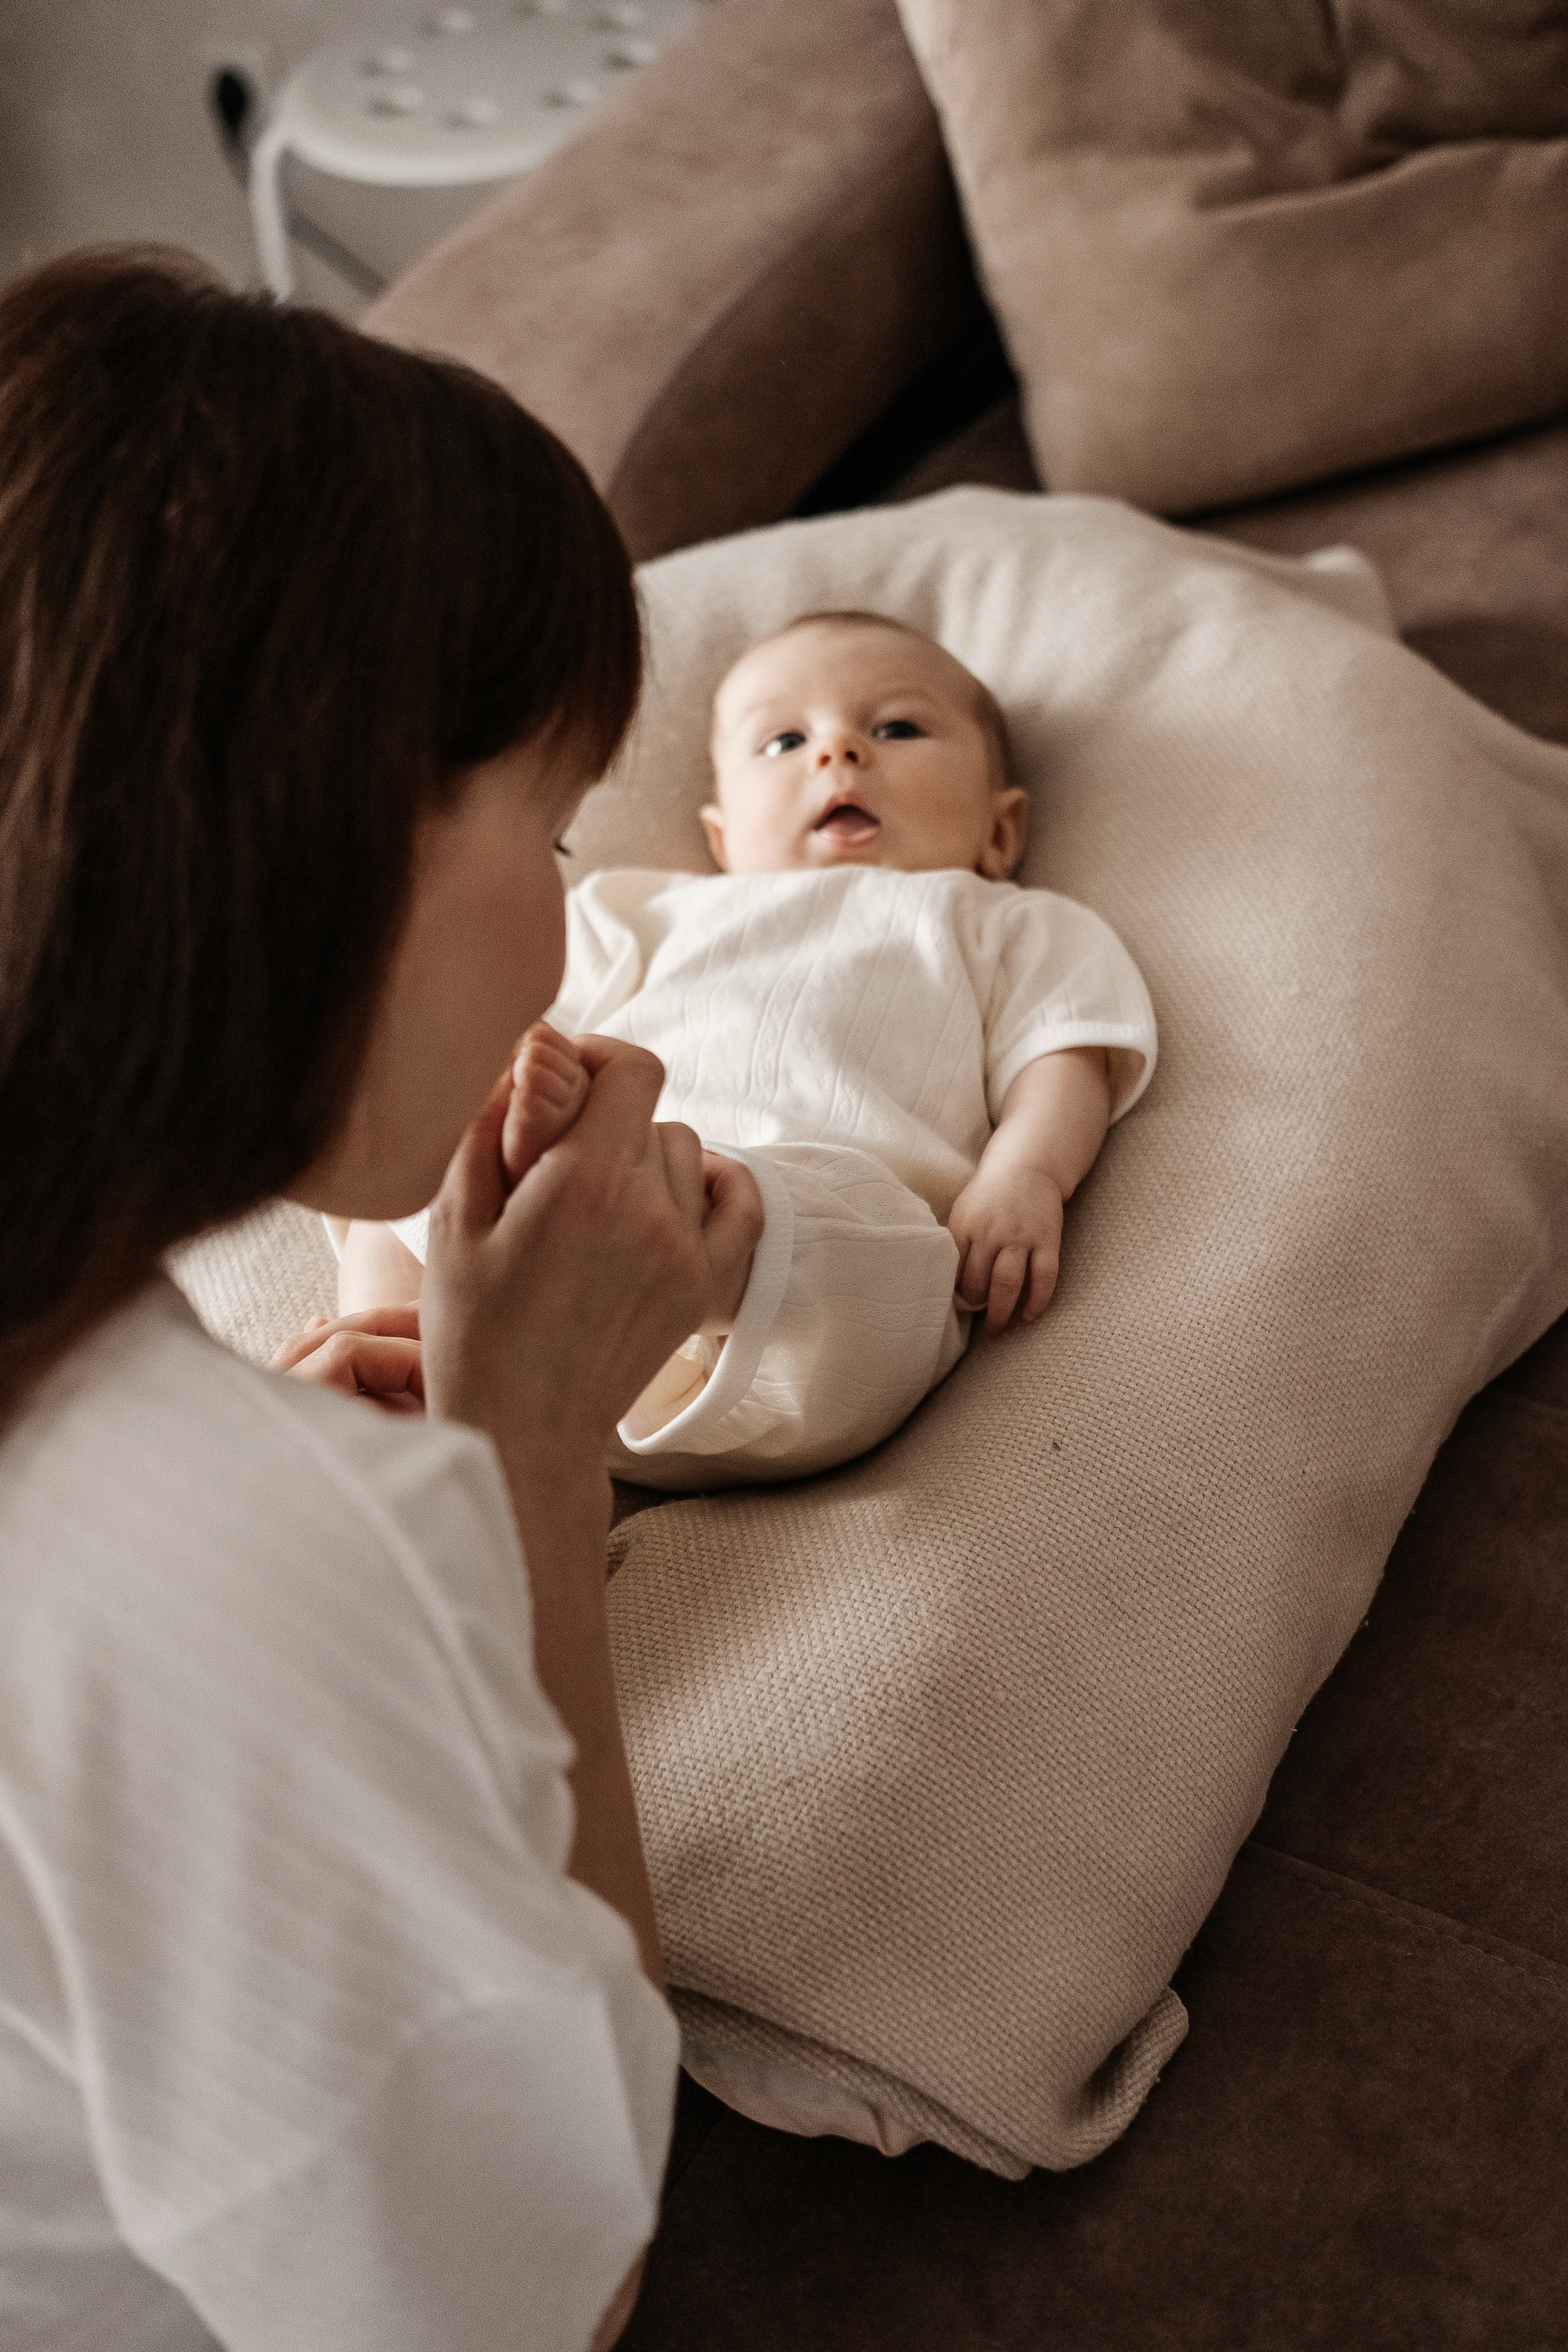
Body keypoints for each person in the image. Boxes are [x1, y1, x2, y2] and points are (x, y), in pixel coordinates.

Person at [0, 251, 762, 2352]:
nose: (568, 925)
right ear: (339, 829)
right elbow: (545, 2294)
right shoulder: (221, 1563)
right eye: (555, 822)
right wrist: (524, 1460)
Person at [336, 612, 1157, 1489]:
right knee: (429, 1146)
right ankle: (405, 1348)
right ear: (724, 842)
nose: (837, 754)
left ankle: (708, 1256)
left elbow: (1064, 1052)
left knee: (899, 1254)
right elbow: (531, 1018)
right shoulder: (646, 908)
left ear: (1002, 831)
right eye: (785, 740)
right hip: (569, 1265)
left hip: (801, 1323)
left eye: (896, 729)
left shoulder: (999, 919)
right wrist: (523, 1085)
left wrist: (1024, 1174)